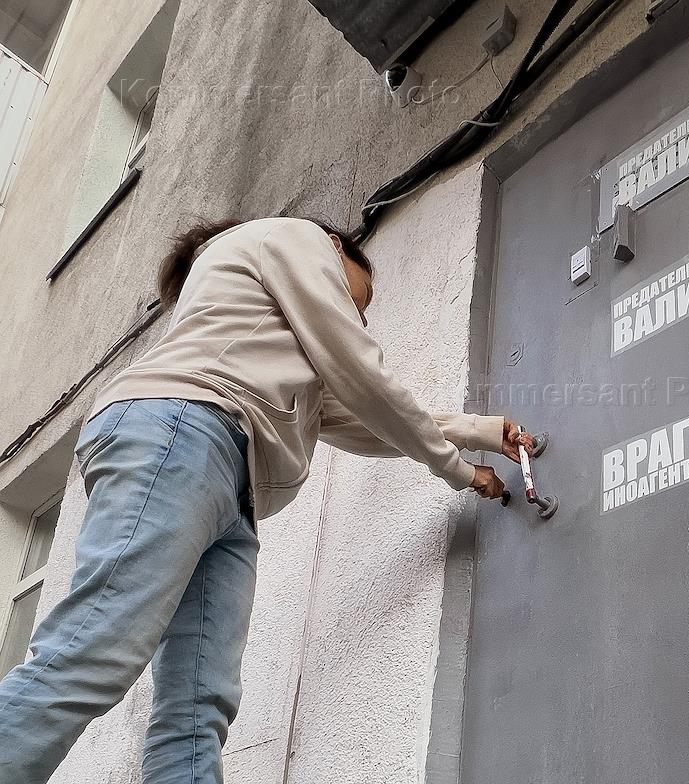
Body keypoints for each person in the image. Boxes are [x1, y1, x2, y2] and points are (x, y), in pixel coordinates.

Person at [0, 216, 532, 784]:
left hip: (230, 484)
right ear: (336, 247)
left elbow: (362, 419)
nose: (362, 314)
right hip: (184, 432)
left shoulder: (279, 342)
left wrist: (476, 433)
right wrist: (455, 470)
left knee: (197, 709)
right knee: (94, 650)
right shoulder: (295, 236)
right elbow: (362, 377)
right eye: (365, 294)